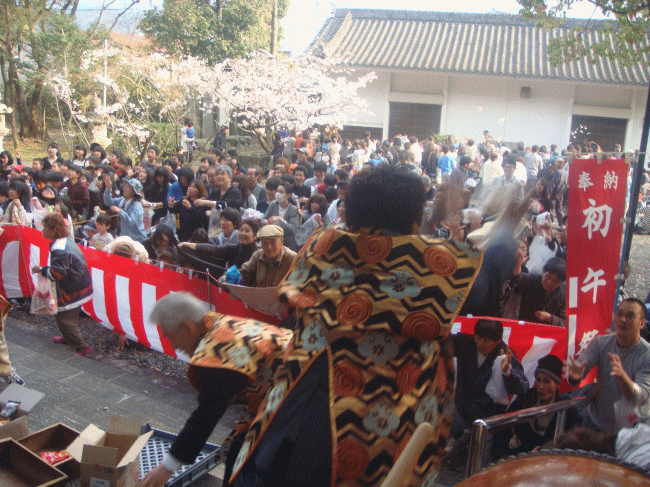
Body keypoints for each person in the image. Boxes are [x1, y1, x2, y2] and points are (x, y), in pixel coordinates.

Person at [228, 166, 483, 487]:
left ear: (348, 215)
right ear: (415, 224)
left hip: (287, 422)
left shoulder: (321, 249)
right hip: (376, 447)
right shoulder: (437, 271)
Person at [135, 292, 290, 487]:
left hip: (299, 395)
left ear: (187, 327)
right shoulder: (219, 323)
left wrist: (166, 468)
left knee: (249, 465)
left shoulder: (217, 348)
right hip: (285, 388)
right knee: (239, 451)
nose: (173, 345)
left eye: (170, 336)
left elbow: (207, 412)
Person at [568, 297, 650, 433]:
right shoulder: (600, 343)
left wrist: (622, 376)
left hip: (629, 431)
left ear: (641, 324)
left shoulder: (647, 355)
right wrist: (575, 376)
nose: (622, 319)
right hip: (595, 422)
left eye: (630, 316)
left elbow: (639, 397)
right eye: (619, 314)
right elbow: (579, 371)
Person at [451, 319, 529, 438]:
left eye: (486, 341)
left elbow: (523, 387)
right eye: (478, 338)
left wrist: (507, 372)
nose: (480, 344)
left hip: (487, 422)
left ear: (498, 341)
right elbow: (442, 339)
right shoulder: (466, 343)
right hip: (460, 412)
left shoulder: (505, 356)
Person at [493, 354, 580, 459]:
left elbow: (574, 439)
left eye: (547, 381)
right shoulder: (526, 399)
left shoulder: (566, 407)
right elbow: (504, 427)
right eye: (538, 380)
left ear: (557, 384)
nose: (541, 386)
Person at [31, 213, 93, 355]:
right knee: (70, 316)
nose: (42, 231)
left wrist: (40, 270)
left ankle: (82, 347)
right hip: (81, 284)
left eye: (45, 228)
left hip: (73, 289)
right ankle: (68, 338)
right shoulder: (67, 241)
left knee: (64, 319)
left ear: (53, 230)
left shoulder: (59, 249)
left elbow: (56, 274)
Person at [180, 218, 259, 272]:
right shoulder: (234, 248)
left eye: (247, 231)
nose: (242, 233)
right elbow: (215, 249)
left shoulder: (258, 253)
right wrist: (190, 245)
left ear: (255, 236)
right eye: (241, 230)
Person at [103, 176, 147, 242]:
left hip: (137, 239)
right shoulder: (123, 200)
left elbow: (131, 222)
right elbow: (108, 202)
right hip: (126, 237)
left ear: (134, 192)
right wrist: (108, 189)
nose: (125, 188)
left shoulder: (137, 205)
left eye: (128, 187)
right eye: (125, 186)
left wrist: (119, 211)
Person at [263, 181, 299, 250]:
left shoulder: (293, 209)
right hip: (272, 238)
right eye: (277, 191)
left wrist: (281, 220)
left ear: (288, 195)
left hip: (287, 242)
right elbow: (263, 219)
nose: (278, 194)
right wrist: (266, 222)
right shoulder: (273, 204)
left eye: (281, 192)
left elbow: (293, 230)